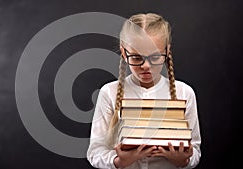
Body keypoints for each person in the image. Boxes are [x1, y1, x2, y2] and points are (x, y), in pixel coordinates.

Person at [86, 12, 201, 169]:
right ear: (124, 54)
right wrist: (119, 161)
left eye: (154, 57)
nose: (146, 66)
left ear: (167, 53)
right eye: (136, 58)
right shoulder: (109, 92)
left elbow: (194, 152)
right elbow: (95, 152)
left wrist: (182, 160)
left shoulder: (184, 93)